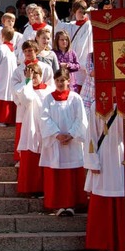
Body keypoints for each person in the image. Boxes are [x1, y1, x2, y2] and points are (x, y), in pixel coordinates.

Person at [84, 106, 125, 251]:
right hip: (105, 156)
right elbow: (91, 134)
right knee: (103, 198)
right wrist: (92, 161)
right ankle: (102, 243)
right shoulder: (96, 105)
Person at [39, 68, 88, 217]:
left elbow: (81, 119)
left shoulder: (75, 98)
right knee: (56, 174)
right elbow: (44, 118)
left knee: (71, 175)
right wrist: (56, 134)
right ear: (54, 81)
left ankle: (72, 205)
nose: (60, 83)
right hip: (55, 143)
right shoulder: (48, 99)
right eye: (58, 80)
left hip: (72, 143)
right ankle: (58, 205)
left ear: (69, 81)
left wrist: (71, 134)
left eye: (63, 80)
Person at [10, 40, 54, 166]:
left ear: (36, 51)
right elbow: (14, 87)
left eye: (30, 50)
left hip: (41, 105)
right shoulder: (19, 70)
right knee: (24, 130)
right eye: (25, 51)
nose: (28, 53)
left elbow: (50, 86)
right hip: (25, 106)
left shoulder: (45, 67)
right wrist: (25, 90)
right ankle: (21, 158)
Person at [14, 63, 55, 195]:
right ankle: (30, 188)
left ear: (41, 76)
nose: (33, 78)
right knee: (31, 156)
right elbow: (26, 99)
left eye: (35, 75)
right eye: (30, 75)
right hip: (30, 125)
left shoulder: (49, 91)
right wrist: (27, 82)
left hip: (46, 126)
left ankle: (45, 188)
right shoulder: (24, 89)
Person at [51, 0, 93, 94]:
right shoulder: (71, 26)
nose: (82, 14)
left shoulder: (90, 26)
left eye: (84, 12)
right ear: (74, 13)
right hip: (72, 68)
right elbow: (56, 23)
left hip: (84, 68)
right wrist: (52, 8)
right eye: (79, 12)